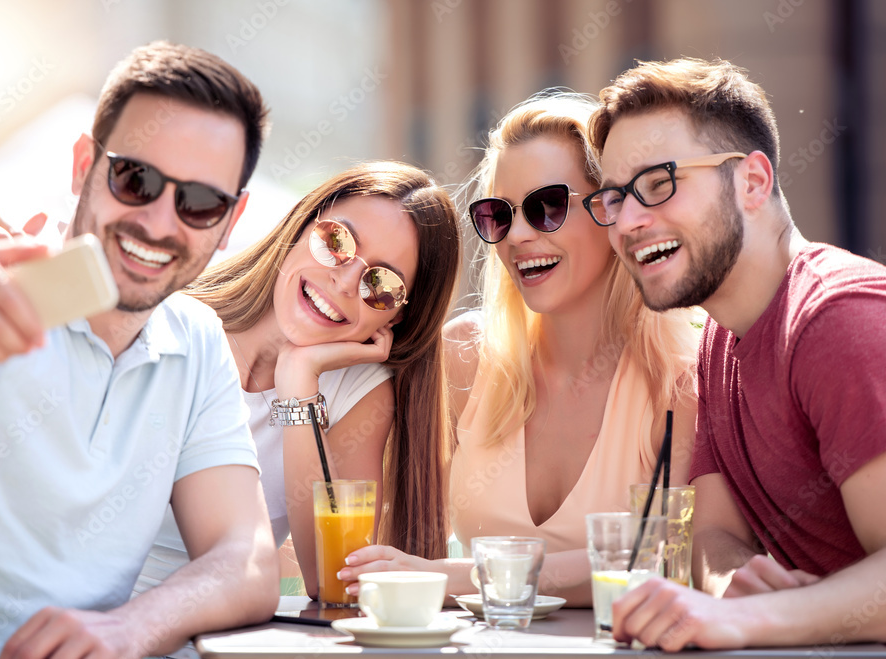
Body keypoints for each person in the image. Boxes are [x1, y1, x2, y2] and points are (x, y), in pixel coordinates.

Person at [0, 41, 280, 658]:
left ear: (231, 220)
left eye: (199, 202)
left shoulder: (198, 341)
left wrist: (128, 628)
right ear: (83, 166)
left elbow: (249, 559)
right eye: (135, 179)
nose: (158, 221)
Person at [339, 91, 700, 604]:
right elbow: (371, 539)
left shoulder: (683, 378)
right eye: (498, 216)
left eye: (547, 207)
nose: (519, 236)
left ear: (610, 209)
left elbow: (667, 560)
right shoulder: (465, 355)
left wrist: (456, 577)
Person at [588, 57, 886, 650]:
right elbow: (715, 532)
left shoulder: (838, 319)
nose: (628, 221)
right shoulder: (719, 339)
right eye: (616, 198)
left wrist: (746, 621)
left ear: (752, 181)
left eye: (658, 184)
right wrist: (731, 588)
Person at [132, 161, 460, 599]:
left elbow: (332, 580)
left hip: (223, 637)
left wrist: (299, 384)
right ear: (303, 223)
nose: (344, 281)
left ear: (398, 315)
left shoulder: (358, 389)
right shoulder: (167, 321)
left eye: (381, 283)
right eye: (336, 241)